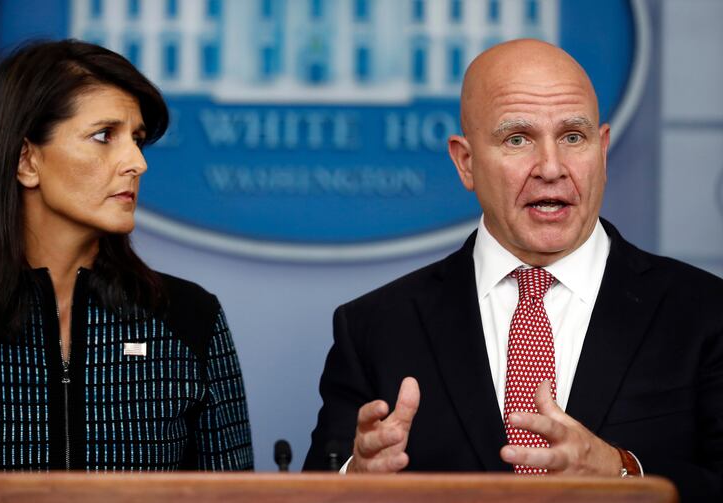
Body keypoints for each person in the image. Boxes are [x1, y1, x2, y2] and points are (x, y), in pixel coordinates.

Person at [304, 39, 723, 502]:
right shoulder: (374, 327)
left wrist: (623, 472)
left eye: (572, 137)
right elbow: (318, 486)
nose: (550, 167)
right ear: (466, 162)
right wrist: (354, 481)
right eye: (517, 139)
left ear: (602, 151)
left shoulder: (705, 313)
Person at [0, 39, 253, 498]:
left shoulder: (191, 319)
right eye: (104, 136)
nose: (136, 163)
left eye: (136, 139)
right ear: (26, 160)